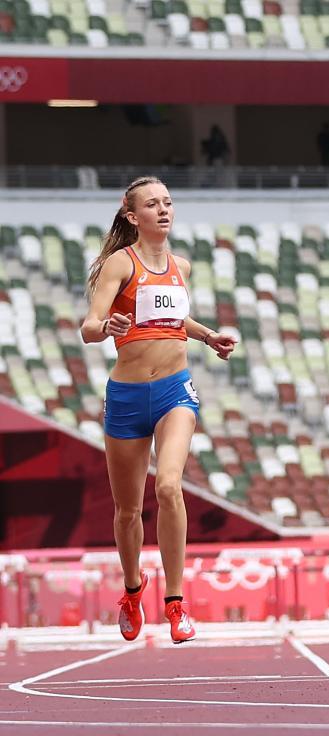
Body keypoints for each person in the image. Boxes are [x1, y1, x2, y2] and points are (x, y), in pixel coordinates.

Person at [80, 176, 238, 644]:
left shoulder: (180, 266)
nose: (163, 210)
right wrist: (107, 326)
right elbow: (89, 327)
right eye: (152, 204)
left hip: (174, 392)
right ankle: (133, 591)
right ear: (133, 216)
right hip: (127, 397)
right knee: (128, 511)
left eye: (168, 202)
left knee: (169, 486)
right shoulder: (120, 264)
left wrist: (208, 336)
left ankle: (175, 602)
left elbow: (174, 318)